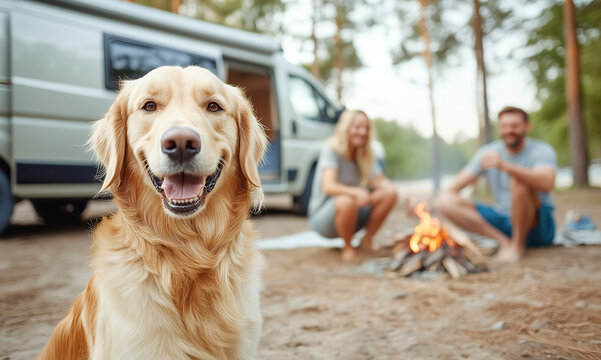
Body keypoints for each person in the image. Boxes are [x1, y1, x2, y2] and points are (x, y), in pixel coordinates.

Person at [435, 106, 557, 263]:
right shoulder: (488, 152)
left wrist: (506, 166)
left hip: (537, 225)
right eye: (504, 126)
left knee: (519, 181)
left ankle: (517, 246)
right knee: (445, 200)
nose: (509, 131)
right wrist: (426, 207)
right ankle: (504, 242)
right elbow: (454, 188)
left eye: (515, 125)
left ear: (527, 126)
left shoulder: (541, 150)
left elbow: (547, 182)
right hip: (503, 219)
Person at [308, 110, 398, 261]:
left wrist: (400, 194)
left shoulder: (366, 153)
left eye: (366, 128)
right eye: (357, 127)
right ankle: (347, 247)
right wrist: (356, 192)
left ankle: (366, 241)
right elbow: (328, 186)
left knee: (390, 193)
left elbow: (381, 181)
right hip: (324, 219)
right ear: (346, 128)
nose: (363, 132)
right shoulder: (331, 148)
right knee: (346, 200)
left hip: (354, 212)